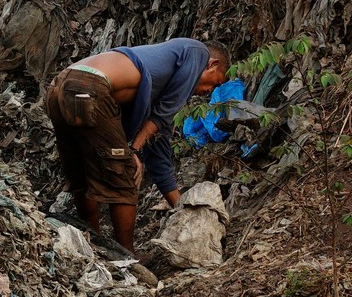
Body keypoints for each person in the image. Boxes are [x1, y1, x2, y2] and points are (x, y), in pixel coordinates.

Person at [45, 38, 229, 255]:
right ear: (212, 64)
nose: (208, 92)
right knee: (126, 173)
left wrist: (183, 210)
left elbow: (160, 161)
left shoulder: (152, 95)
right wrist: (132, 151)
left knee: (82, 174)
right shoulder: (196, 51)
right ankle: (127, 257)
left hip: (60, 88)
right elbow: (165, 112)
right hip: (89, 85)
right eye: (215, 83)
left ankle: (90, 247)